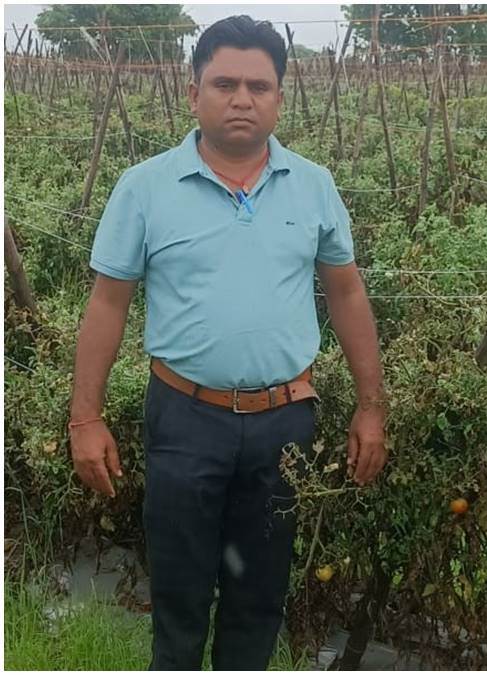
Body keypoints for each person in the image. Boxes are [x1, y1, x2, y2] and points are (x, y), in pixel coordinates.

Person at [68, 16, 387, 670]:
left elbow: (348, 294)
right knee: (179, 597)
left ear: (279, 98)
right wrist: (85, 417)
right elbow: (107, 303)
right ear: (194, 94)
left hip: (284, 421)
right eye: (225, 83)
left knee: (260, 596)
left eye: (259, 85)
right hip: (185, 418)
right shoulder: (145, 188)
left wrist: (370, 404)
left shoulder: (314, 186)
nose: (242, 98)